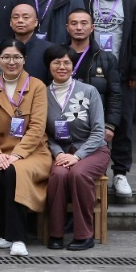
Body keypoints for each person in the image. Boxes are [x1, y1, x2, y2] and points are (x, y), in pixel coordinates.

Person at [80, 0, 136, 198]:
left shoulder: (130, 3)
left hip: (121, 73)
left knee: (123, 123)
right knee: (87, 122)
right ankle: (89, 170)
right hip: (90, 73)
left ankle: (120, 173)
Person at [0, 39, 51, 257]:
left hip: (32, 152)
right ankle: (6, 232)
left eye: (17, 57)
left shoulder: (37, 86)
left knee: (13, 173)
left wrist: (17, 154)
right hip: (0, 152)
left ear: (24, 59)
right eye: (6, 57)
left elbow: (37, 128)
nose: (12, 62)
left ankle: (18, 238)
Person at [42, 45, 110, 251]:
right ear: (48, 66)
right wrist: (58, 153)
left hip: (93, 150)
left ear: (73, 66)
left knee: (78, 174)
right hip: (61, 152)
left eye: (66, 63)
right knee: (58, 175)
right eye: (56, 62)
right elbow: (43, 133)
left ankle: (84, 234)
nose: (61, 67)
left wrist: (78, 156)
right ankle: (56, 233)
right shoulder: (41, 94)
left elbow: (99, 131)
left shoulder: (89, 91)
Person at [65, 9, 122, 143]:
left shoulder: (107, 59)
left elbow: (115, 94)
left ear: (92, 28)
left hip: (94, 123)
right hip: (62, 120)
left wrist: (110, 125)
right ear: (67, 28)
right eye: (74, 23)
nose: (79, 27)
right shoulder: (58, 55)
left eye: (84, 23)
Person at [10, 3, 51, 83]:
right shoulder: (3, 48)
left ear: (36, 22)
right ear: (11, 23)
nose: (20, 21)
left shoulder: (48, 49)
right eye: (16, 17)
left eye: (25, 17)